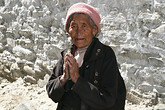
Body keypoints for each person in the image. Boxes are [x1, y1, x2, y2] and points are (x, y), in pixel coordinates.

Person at [46, 2, 126, 110]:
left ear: (94, 30)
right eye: (74, 26)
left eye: (84, 26)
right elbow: (52, 94)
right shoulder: (67, 54)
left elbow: (108, 100)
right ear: (68, 30)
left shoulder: (105, 55)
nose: (78, 32)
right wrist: (64, 78)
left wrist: (77, 79)